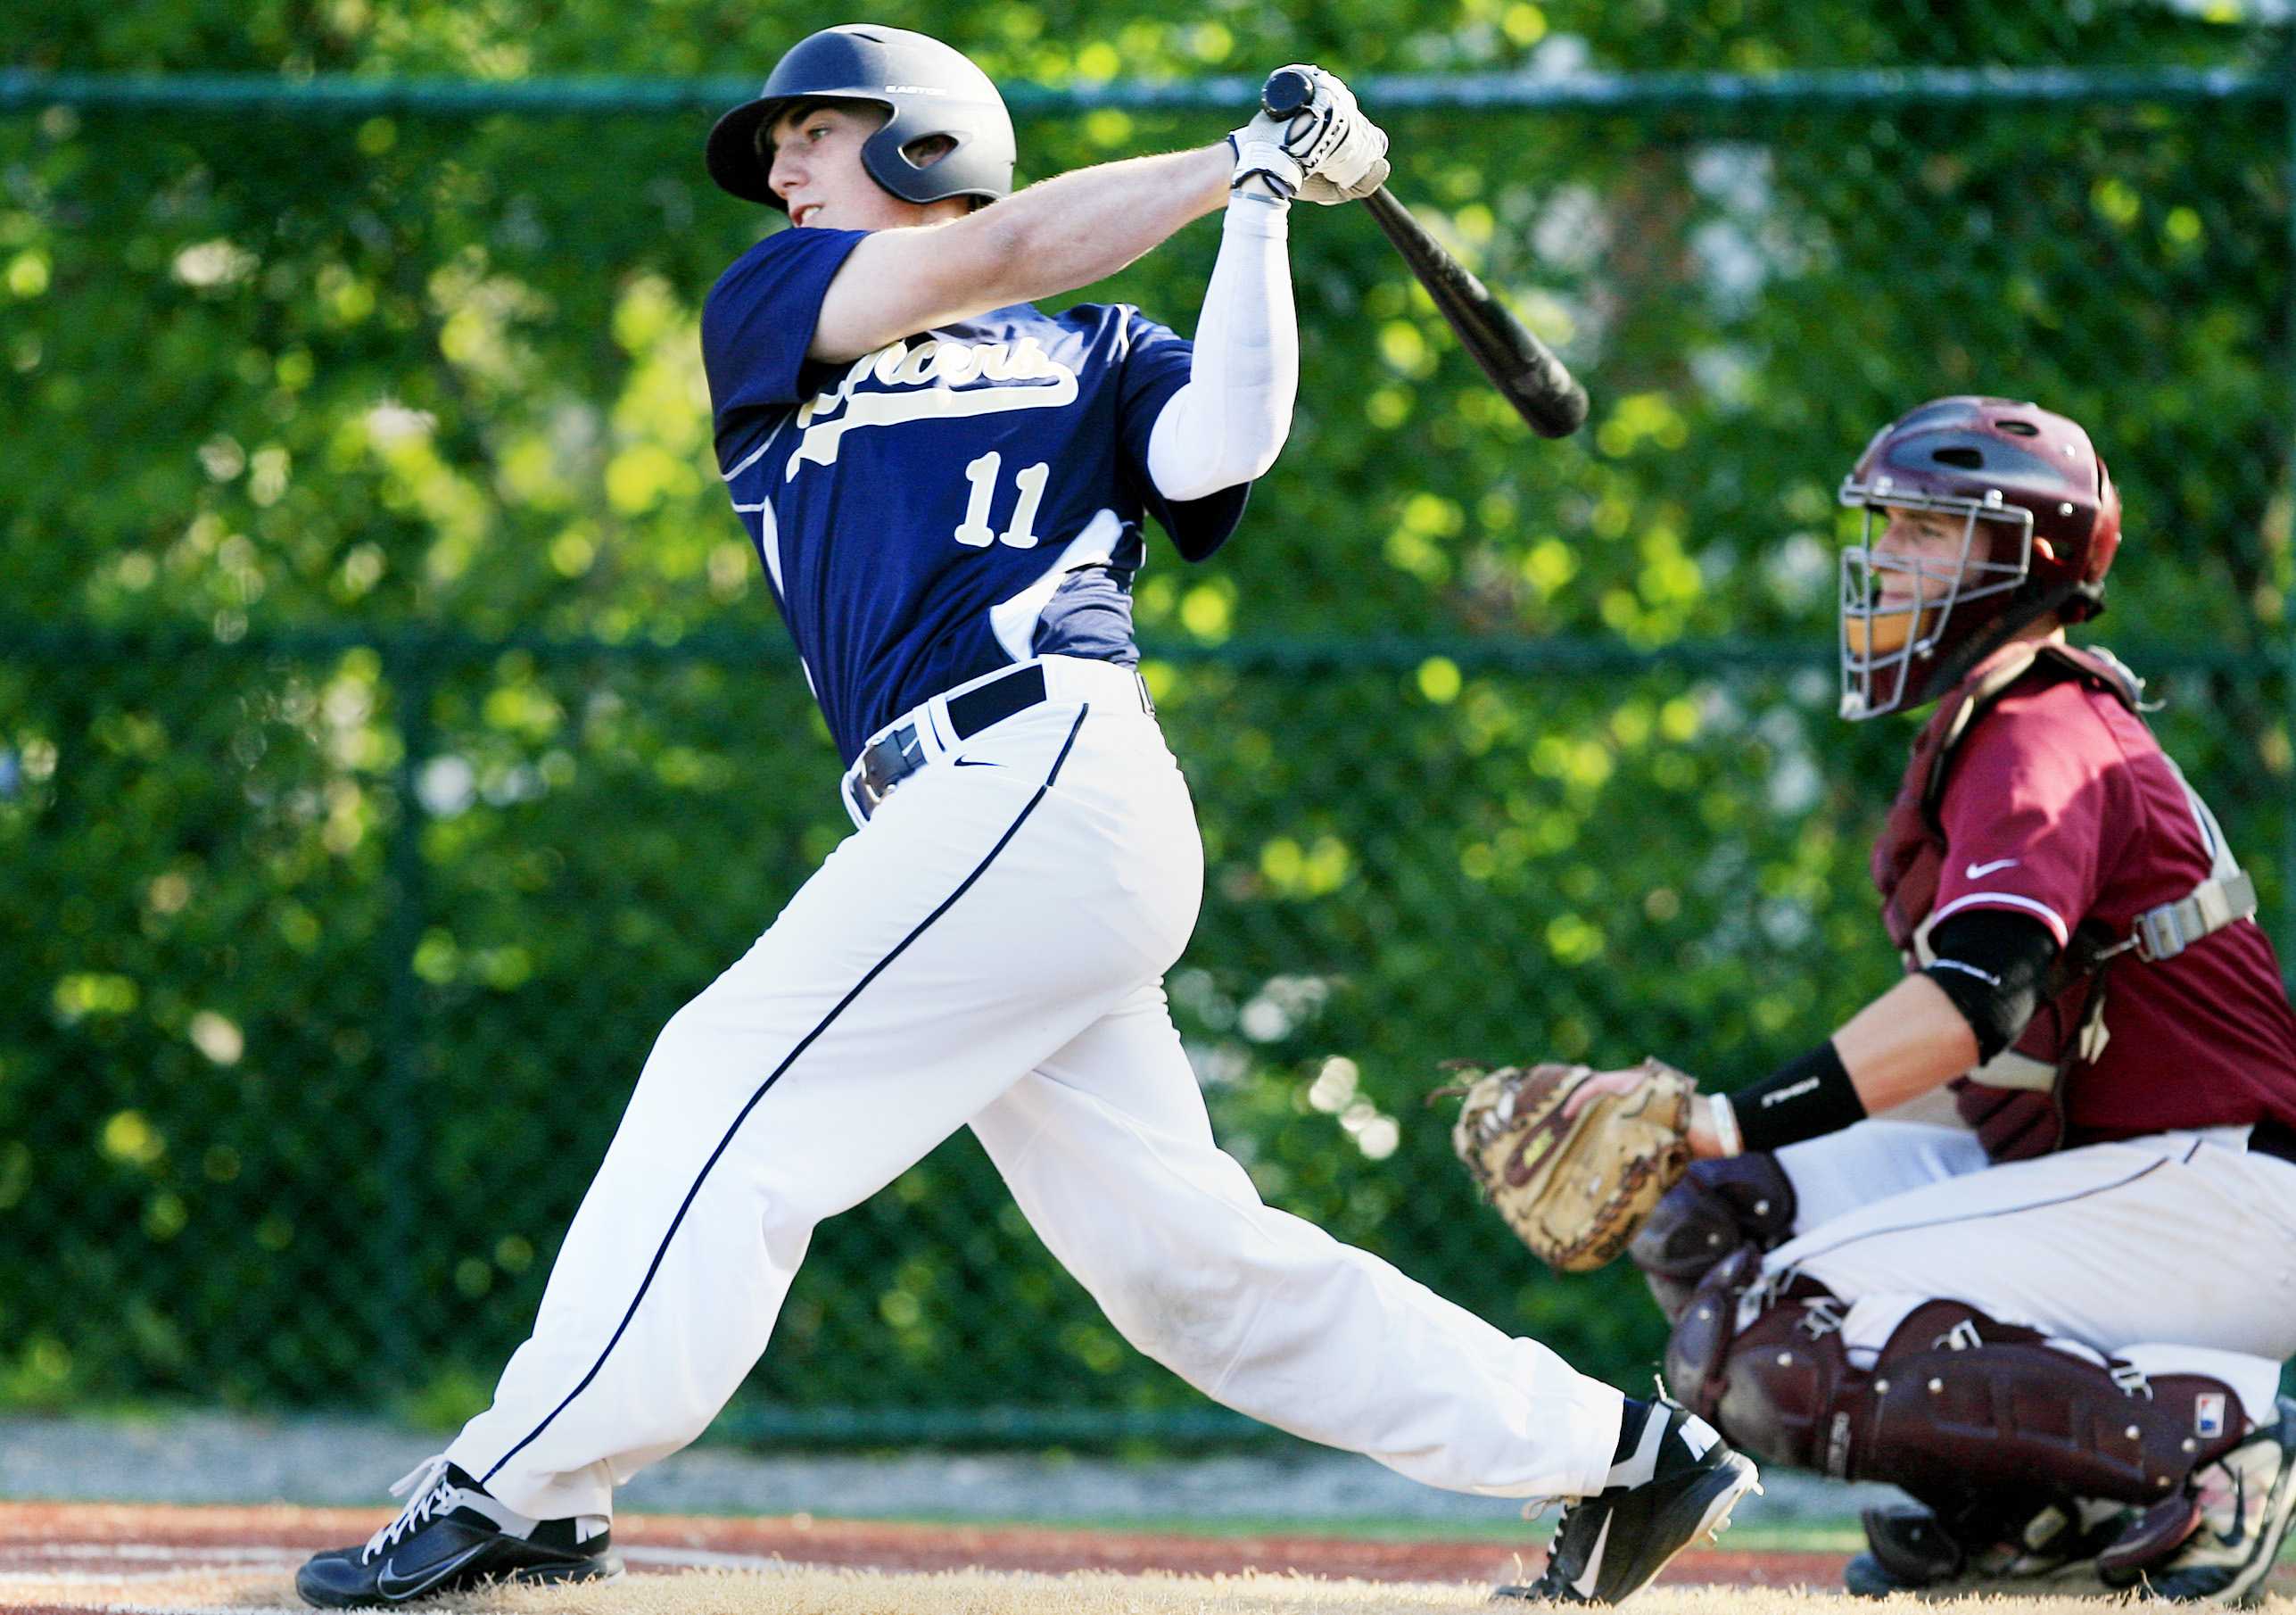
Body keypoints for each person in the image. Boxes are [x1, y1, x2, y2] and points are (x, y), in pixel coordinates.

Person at [294, 24, 1757, 1609]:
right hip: (974, 827)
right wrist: (1231, 162)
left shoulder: (1101, 350)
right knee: (1182, 1275)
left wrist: (1257, 210)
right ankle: (1620, 1451)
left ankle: (530, 1478)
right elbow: (996, 251)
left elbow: (1221, 445)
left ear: (920, 140)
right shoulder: (775, 311)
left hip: (1043, 775)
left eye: (812, 131)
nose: (776, 168)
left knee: (726, 1068)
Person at [1570, 395, 2296, 1603]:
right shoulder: (1998, 720)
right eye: (1891, 523)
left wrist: (1724, 1111)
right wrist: (1695, 1134)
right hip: (2137, 1171)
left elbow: (1974, 1001)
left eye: (1928, 527)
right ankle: (2044, 1508)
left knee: (1763, 1334)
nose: (1887, 552)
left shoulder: (2039, 727)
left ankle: (2213, 1444)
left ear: (2031, 558)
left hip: (2216, 1188)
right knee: (1708, 1211)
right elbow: (1975, 1043)